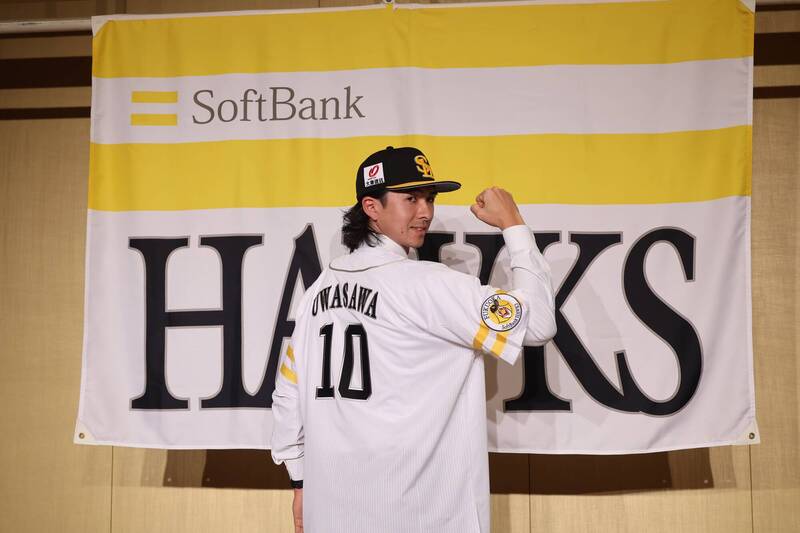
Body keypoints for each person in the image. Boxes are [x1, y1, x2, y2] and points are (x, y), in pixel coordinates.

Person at [271, 146, 556, 533]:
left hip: (332, 513)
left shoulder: (318, 290)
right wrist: (514, 225)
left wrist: (300, 481)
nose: (425, 212)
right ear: (371, 207)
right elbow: (538, 323)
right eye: (411, 198)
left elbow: (289, 392)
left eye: (430, 198)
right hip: (418, 515)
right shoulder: (428, 286)